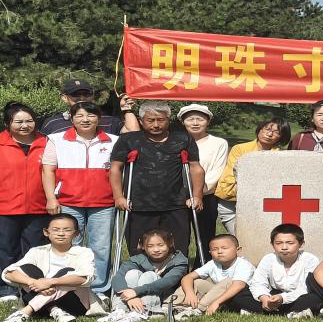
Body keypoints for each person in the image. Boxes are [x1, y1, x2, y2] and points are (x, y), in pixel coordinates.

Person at [41, 101, 117, 301]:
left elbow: (118, 172)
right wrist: (50, 198)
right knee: (67, 245)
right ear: (72, 119)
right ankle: (67, 286)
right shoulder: (56, 139)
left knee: (101, 247)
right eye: (80, 116)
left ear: (99, 119)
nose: (85, 120)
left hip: (103, 203)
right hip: (68, 201)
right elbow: (48, 170)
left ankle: (99, 289)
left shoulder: (113, 141)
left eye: (91, 115)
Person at [0, 102, 49, 303]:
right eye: (18, 121)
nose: (25, 125)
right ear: (8, 123)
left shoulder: (46, 142)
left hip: (38, 207)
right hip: (3, 208)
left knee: (34, 250)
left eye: (29, 121)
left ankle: (30, 286)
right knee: (4, 251)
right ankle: (5, 290)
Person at [109, 101, 203, 258]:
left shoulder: (183, 139)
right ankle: (141, 273)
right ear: (141, 121)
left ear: (168, 120)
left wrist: (197, 196)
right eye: (150, 120)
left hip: (176, 204)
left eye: (161, 120)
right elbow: (115, 169)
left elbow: (195, 168)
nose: (156, 125)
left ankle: (177, 274)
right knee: (139, 249)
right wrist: (118, 197)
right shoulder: (128, 140)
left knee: (178, 248)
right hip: (138, 205)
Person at [0, 214, 94, 322]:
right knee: (28, 268)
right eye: (56, 230)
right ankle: (53, 309)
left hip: (72, 304)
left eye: (67, 230)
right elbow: (9, 273)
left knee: (68, 273)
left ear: (76, 233)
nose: (61, 233)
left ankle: (25, 312)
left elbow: (85, 278)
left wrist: (50, 282)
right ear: (46, 232)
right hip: (39, 298)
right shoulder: (36, 251)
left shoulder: (84, 252)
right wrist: (33, 282)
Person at [228, 224, 323, 318]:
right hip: (274, 295)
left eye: (290, 243)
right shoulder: (268, 259)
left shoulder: (310, 259)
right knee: (240, 295)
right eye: (278, 243)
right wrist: (264, 298)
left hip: (298, 297)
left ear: (301, 244)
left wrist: (283, 298)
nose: (284, 247)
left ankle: (265, 312)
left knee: (315, 298)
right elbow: (258, 283)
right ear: (272, 244)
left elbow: (306, 287)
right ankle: (290, 312)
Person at [213, 117, 288, 232]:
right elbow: (229, 181)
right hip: (232, 203)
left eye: (276, 132)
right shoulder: (240, 149)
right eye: (267, 129)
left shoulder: (281, 156)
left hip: (263, 205)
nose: (269, 134)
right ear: (260, 129)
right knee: (237, 239)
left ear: (281, 136)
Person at [100, 229, 189, 322]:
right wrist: (130, 297)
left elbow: (167, 282)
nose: (156, 249)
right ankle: (120, 311)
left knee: (149, 275)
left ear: (170, 243)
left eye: (161, 245)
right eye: (150, 246)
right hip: (134, 297)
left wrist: (136, 291)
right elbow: (118, 277)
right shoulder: (138, 259)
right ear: (143, 246)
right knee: (132, 274)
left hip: (164, 295)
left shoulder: (179, 261)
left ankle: (148, 311)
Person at [180, 104, 229, 260]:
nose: (195, 123)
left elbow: (217, 171)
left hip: (206, 195)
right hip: (179, 196)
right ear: (183, 122)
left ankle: (204, 266)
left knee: (205, 235)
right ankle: (179, 267)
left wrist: (197, 193)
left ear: (208, 121)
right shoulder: (176, 141)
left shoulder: (219, 143)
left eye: (200, 119)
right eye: (190, 119)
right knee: (180, 236)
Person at [172, 234, 254, 318]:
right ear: (210, 253)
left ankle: (198, 309)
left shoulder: (243, 265)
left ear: (238, 250)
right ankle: (171, 306)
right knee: (197, 282)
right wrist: (190, 293)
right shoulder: (213, 263)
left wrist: (216, 302)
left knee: (228, 281)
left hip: (241, 297)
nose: (219, 251)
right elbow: (187, 277)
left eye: (224, 248)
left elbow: (239, 286)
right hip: (221, 294)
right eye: (215, 249)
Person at [37, 77, 139, 136]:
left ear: (93, 95)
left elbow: (133, 133)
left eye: (86, 94)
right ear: (64, 98)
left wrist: (127, 109)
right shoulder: (52, 123)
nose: (82, 98)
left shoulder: (110, 121)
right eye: (75, 94)